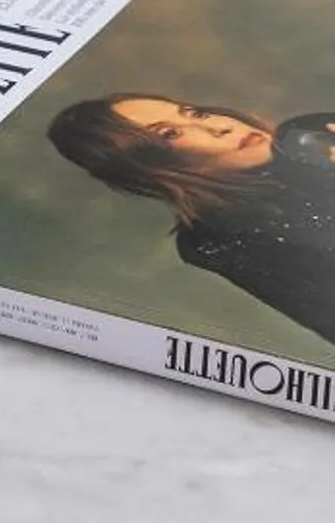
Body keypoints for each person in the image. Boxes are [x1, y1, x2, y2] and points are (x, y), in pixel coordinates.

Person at [47, 93, 335, 343]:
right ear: (149, 168)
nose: (219, 126)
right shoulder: (217, 236)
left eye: (196, 113)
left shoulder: (309, 147)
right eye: (169, 133)